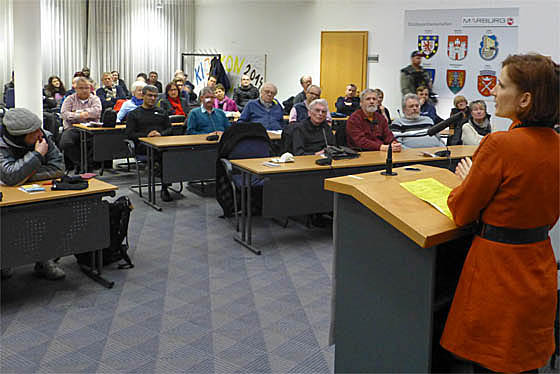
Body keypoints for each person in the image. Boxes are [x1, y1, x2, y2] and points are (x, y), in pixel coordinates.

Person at [440, 53, 559, 373]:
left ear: (524, 99)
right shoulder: (556, 145)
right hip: (538, 266)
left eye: (501, 85)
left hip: (497, 275)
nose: (492, 91)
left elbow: (462, 211)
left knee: (491, 363)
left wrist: (465, 182)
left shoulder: (499, 145)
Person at [0, 108, 66, 280]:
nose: (39, 134)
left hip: (39, 193)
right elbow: (10, 175)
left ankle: (45, 260)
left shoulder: (43, 136)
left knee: (52, 218)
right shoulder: (2, 143)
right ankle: (4, 262)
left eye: (39, 128)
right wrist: (37, 155)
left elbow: (59, 169)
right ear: (19, 136)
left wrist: (24, 175)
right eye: (33, 131)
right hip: (7, 199)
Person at [126, 85, 174, 201]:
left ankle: (164, 182)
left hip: (162, 144)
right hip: (143, 146)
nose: (153, 98)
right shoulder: (134, 114)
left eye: (155, 96)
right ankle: (164, 187)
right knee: (163, 156)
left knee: (171, 154)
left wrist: (160, 134)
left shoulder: (162, 112)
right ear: (143, 96)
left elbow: (170, 129)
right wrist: (146, 136)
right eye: (150, 95)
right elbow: (129, 134)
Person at [60, 77, 102, 170]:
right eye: (81, 88)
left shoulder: (95, 99)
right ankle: (81, 164)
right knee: (65, 143)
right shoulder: (69, 99)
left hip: (91, 129)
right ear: (76, 89)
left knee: (98, 142)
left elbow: (97, 112)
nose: (84, 90)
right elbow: (64, 114)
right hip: (72, 128)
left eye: (87, 88)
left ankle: (88, 165)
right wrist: (82, 114)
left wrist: (76, 113)